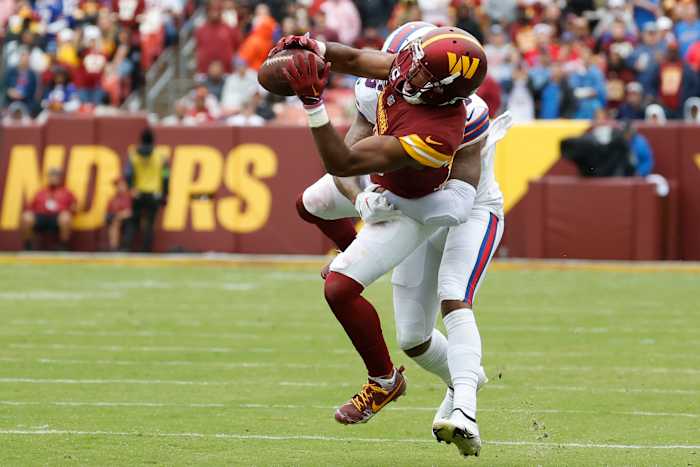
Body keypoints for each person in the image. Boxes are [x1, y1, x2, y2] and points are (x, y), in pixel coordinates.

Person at [276, 25, 490, 456]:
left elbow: (344, 158)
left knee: (345, 288)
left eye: (417, 69)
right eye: (406, 58)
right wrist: (311, 46)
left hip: (429, 203)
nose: (402, 69)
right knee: (308, 205)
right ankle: (350, 249)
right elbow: (355, 60)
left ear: (441, 90)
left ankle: (389, 382)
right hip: (388, 188)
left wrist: (313, 103)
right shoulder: (411, 72)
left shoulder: (440, 129)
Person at [123, 128, 169, 252]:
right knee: (150, 223)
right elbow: (165, 176)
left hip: (138, 193)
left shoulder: (133, 155)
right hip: (154, 194)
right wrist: (165, 194)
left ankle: (127, 247)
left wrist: (131, 188)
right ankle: (146, 249)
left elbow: (127, 174)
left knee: (133, 221)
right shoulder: (160, 156)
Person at [21, 168, 76, 250]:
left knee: (65, 217)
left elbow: (74, 205)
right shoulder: (41, 192)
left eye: (56, 176)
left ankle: (63, 245)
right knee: (26, 217)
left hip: (57, 218)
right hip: (41, 216)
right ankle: (27, 244)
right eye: (52, 176)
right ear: (48, 178)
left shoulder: (66, 192)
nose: (54, 178)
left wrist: (69, 210)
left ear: (60, 178)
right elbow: (30, 206)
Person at [106, 177, 133, 251]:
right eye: (117, 185)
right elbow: (108, 212)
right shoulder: (112, 198)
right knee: (114, 223)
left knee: (116, 222)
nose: (119, 187)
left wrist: (118, 216)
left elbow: (129, 212)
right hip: (115, 219)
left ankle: (117, 247)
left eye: (121, 185)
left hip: (128, 221)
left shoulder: (129, 196)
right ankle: (113, 247)